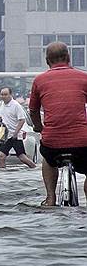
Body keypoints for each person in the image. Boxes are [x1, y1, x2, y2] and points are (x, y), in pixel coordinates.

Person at [28, 41, 87, 206]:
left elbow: (33, 111)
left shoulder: (39, 81)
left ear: (47, 61)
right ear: (68, 58)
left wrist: (39, 127)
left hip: (53, 143)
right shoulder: (84, 78)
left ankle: (50, 197)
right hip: (83, 143)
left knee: (47, 158)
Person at [0, 86, 36, 169]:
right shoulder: (2, 104)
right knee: (1, 156)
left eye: (5, 94)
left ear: (10, 94)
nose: (3, 96)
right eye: (2, 94)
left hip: (15, 135)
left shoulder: (16, 105)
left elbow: (22, 120)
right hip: (5, 135)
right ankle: (2, 174)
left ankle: (34, 167)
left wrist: (16, 133)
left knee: (22, 157)